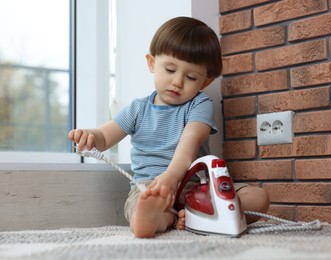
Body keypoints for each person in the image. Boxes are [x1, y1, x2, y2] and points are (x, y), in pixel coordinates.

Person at [68, 16, 269, 238]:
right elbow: (105, 137)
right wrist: (90, 135)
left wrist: (173, 177)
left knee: (258, 198)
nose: (178, 82)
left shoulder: (200, 104)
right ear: (152, 63)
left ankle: (189, 214)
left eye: (191, 77)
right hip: (150, 186)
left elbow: (189, 144)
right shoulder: (137, 108)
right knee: (141, 207)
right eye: (170, 70)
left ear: (204, 82)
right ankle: (165, 217)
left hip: (197, 187)